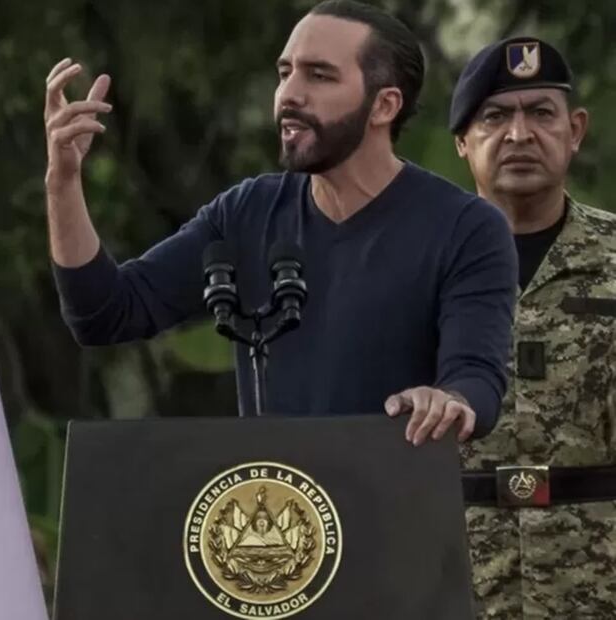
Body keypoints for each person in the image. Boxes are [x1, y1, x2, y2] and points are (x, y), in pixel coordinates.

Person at [43, 0, 518, 444]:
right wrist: (62, 183)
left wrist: (448, 402)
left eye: (319, 76)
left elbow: (476, 377)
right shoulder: (247, 211)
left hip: (392, 514)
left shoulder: (466, 228)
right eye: (285, 73)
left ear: (384, 105)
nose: (289, 94)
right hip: (274, 520)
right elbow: (105, 314)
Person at [450, 36, 616, 618]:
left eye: (540, 114)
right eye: (495, 116)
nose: (519, 135)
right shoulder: (416, 268)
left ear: (574, 131)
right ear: (463, 142)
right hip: (457, 579)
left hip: (598, 582)